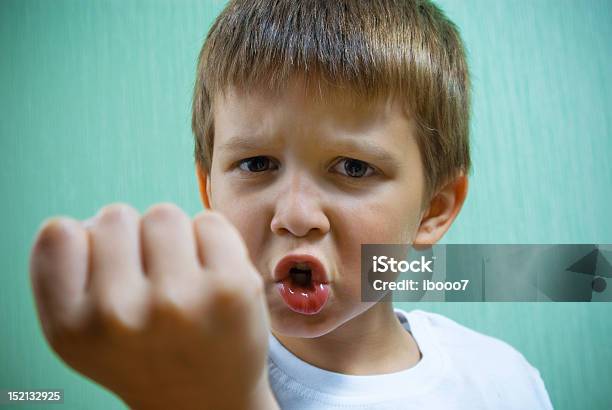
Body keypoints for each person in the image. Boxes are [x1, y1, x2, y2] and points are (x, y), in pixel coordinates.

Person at [29, 0, 553, 409]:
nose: (296, 215)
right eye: (257, 164)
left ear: (435, 209)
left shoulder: (503, 379)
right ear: (210, 190)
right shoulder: (187, 378)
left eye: (352, 167)